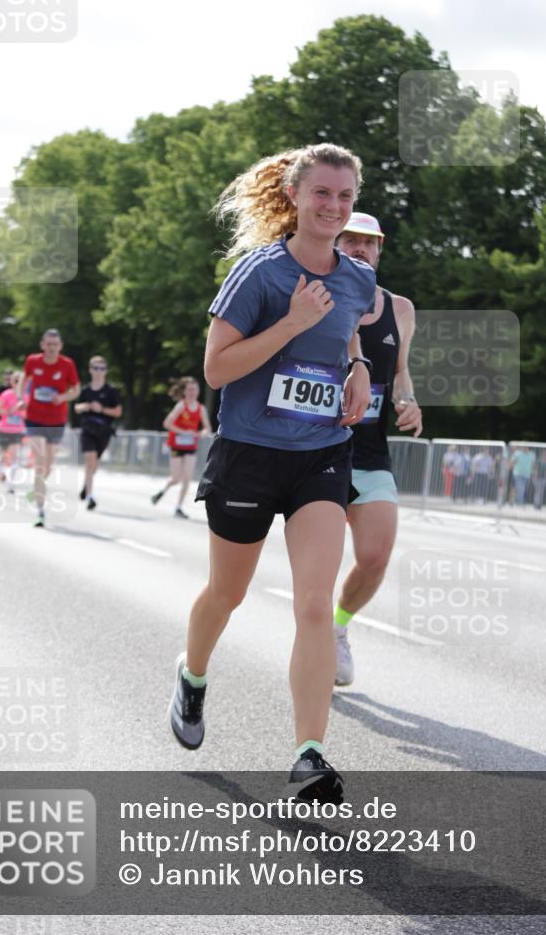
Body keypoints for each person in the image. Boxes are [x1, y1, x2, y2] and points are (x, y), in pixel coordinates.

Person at [167, 143, 376, 803]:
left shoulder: (357, 279)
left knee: (314, 604)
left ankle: (309, 755)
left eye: (344, 197)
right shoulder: (257, 274)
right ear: (294, 195)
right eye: (322, 194)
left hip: (319, 455)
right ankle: (192, 674)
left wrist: (359, 369)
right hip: (249, 454)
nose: (333, 207)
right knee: (224, 595)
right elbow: (218, 371)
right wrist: (290, 323)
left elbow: (346, 333)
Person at [331, 212, 422, 686]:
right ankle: (310, 645)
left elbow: (400, 372)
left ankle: (337, 630)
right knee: (318, 566)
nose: (361, 249)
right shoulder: (315, 298)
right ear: (335, 241)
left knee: (375, 557)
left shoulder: (400, 310)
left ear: (381, 250)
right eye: (351, 240)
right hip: (316, 452)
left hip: (369, 452)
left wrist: (408, 401)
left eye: (370, 243)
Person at [17, 329, 80, 527]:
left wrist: (62, 397)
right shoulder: (33, 361)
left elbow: (76, 389)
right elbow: (23, 380)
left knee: (49, 466)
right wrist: (21, 399)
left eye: (55, 344)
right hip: (34, 418)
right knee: (40, 460)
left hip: (57, 420)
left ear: (60, 346)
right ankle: (40, 510)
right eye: (48, 344)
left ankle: (36, 489)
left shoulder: (67, 364)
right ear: (42, 345)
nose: (52, 348)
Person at [151, 377, 212, 518]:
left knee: (187, 478)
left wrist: (202, 433)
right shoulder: (180, 406)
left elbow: (207, 428)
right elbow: (167, 423)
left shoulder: (200, 408)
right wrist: (184, 432)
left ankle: (178, 507)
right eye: (189, 389)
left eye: (195, 389)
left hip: (190, 446)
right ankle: (162, 491)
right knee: (176, 478)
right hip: (176, 445)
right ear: (184, 391)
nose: (192, 392)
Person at [74, 355, 122, 510]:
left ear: (106, 371)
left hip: (104, 431)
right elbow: (76, 408)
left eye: (101, 368)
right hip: (87, 429)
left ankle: (85, 486)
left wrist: (101, 409)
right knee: (90, 459)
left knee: (94, 464)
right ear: (90, 370)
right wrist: (88, 406)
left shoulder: (111, 391)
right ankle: (90, 497)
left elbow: (118, 412)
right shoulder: (85, 390)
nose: (98, 372)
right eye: (95, 368)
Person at [0, 371, 26, 491]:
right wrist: (8, 411)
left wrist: (23, 413)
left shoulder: (26, 396)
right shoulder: (6, 394)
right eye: (15, 380)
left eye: (20, 380)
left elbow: (29, 414)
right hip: (4, 429)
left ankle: (10, 484)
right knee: (2, 456)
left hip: (18, 430)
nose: (18, 383)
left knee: (14, 456)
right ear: (11, 382)